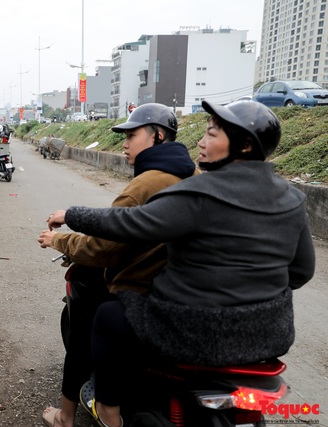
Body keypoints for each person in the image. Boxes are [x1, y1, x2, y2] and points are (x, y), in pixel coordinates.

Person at [46, 100, 316, 427]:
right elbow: (301, 271)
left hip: (195, 331)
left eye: (212, 134)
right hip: (267, 336)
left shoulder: (199, 192)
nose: (200, 142)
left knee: (107, 316)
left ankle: (108, 412)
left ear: (244, 145)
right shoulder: (291, 197)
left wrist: (71, 215)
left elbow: (129, 225)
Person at [37, 103, 199, 427]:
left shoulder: (145, 184)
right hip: (184, 293)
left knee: (87, 327)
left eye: (132, 135)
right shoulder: (193, 175)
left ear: (159, 136)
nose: (124, 144)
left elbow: (104, 248)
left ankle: (70, 416)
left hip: (144, 291)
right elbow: (121, 222)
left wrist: (58, 241)